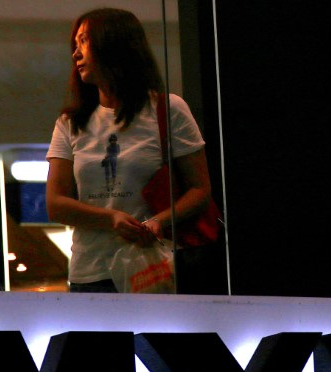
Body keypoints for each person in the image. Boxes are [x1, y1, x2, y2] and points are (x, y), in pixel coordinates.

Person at [46, 8, 212, 293]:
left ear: (113, 43)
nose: (76, 53)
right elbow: (55, 203)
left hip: (156, 264)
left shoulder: (167, 110)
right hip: (92, 272)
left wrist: (158, 221)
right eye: (75, 45)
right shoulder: (70, 123)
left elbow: (200, 190)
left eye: (84, 41)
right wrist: (111, 218)